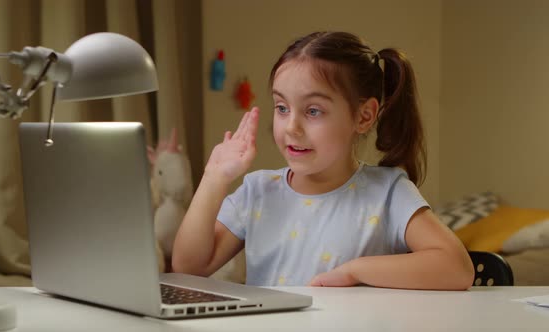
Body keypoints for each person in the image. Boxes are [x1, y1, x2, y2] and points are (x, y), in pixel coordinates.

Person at [172, 31, 474, 289]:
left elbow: (456, 268)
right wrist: (214, 177)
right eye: (282, 107)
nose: (292, 127)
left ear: (364, 116)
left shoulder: (388, 192)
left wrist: (356, 271)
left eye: (313, 111)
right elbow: (188, 269)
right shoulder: (257, 191)